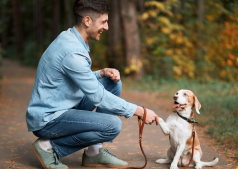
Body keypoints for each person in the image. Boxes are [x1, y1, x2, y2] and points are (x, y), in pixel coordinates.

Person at [26, 0, 159, 168]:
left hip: (64, 106)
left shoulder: (70, 37)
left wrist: (101, 73)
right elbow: (98, 96)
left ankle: (94, 152)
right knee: (112, 125)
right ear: (87, 21)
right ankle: (48, 147)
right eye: (103, 22)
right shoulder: (72, 51)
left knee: (111, 83)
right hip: (49, 119)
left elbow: (75, 78)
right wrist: (139, 111)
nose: (107, 27)